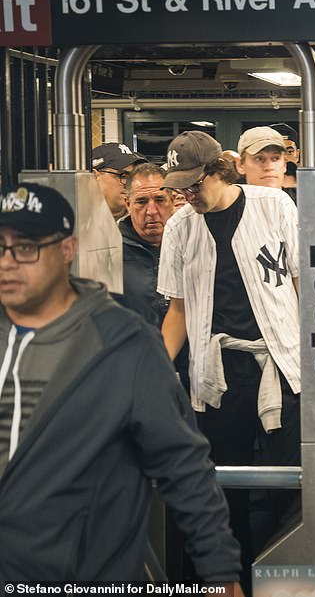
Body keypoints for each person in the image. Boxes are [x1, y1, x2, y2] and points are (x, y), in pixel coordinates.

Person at [0, 183, 240, 582]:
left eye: (25, 248)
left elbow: (184, 466)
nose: (8, 262)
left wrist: (219, 573)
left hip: (84, 577)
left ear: (66, 251)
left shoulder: (123, 345)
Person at [157, 130, 301, 591]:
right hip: (219, 372)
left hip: (280, 365)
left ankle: (290, 577)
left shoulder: (274, 206)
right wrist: (156, 373)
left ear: (220, 168)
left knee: (289, 481)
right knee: (226, 487)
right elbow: (177, 311)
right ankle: (231, 581)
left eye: (195, 185)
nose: (188, 195)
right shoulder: (181, 226)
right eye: (181, 188)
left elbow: (302, 284)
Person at [120, 163, 175, 327]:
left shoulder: (189, 244)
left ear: (172, 200)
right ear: (128, 204)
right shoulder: (110, 250)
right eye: (141, 202)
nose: (151, 211)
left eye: (159, 199)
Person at [91, 141, 147, 220]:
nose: (130, 184)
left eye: (133, 177)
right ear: (94, 177)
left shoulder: (145, 221)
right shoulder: (75, 221)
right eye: (123, 176)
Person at [235, 126, 288, 190]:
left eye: (276, 158)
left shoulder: (301, 198)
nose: (269, 167)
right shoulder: (228, 199)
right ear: (240, 165)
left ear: (284, 164)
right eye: (259, 159)